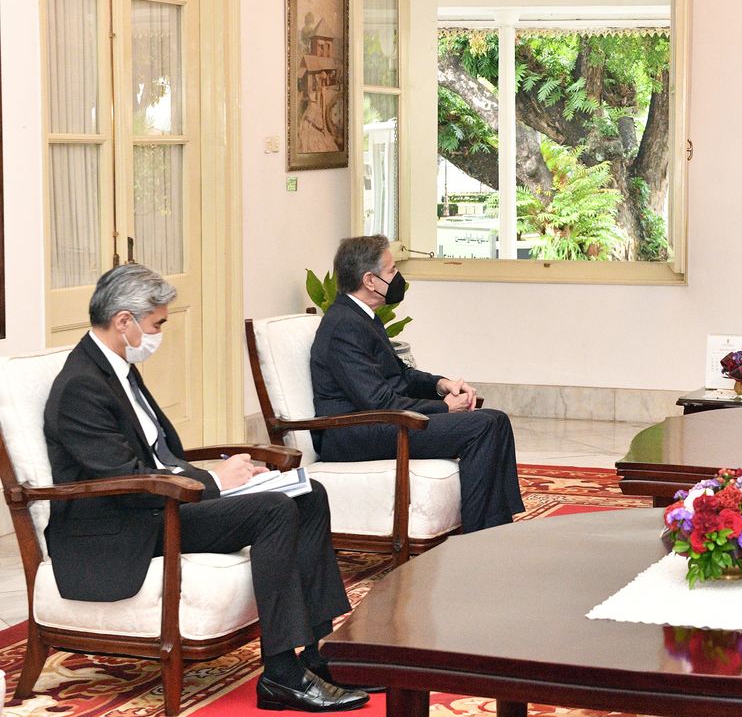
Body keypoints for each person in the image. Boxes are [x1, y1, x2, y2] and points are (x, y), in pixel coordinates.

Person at [43, 264, 370, 712]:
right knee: (273, 510)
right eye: (157, 323)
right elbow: (125, 481)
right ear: (124, 321)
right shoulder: (81, 386)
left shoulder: (116, 369)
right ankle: (281, 675)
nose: (160, 333)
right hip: (123, 526)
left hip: (159, 504)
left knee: (307, 493)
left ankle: (318, 654)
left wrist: (236, 474)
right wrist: (216, 481)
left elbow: (161, 456)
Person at [310, 235, 524, 533]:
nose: (397, 277)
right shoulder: (343, 326)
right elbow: (378, 401)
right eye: (391, 270)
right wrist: (443, 409)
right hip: (354, 431)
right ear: (370, 280)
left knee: (495, 420)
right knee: (481, 427)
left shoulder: (361, 318)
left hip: (380, 421)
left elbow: (400, 376)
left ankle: (496, 528)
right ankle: (479, 535)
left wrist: (442, 385)